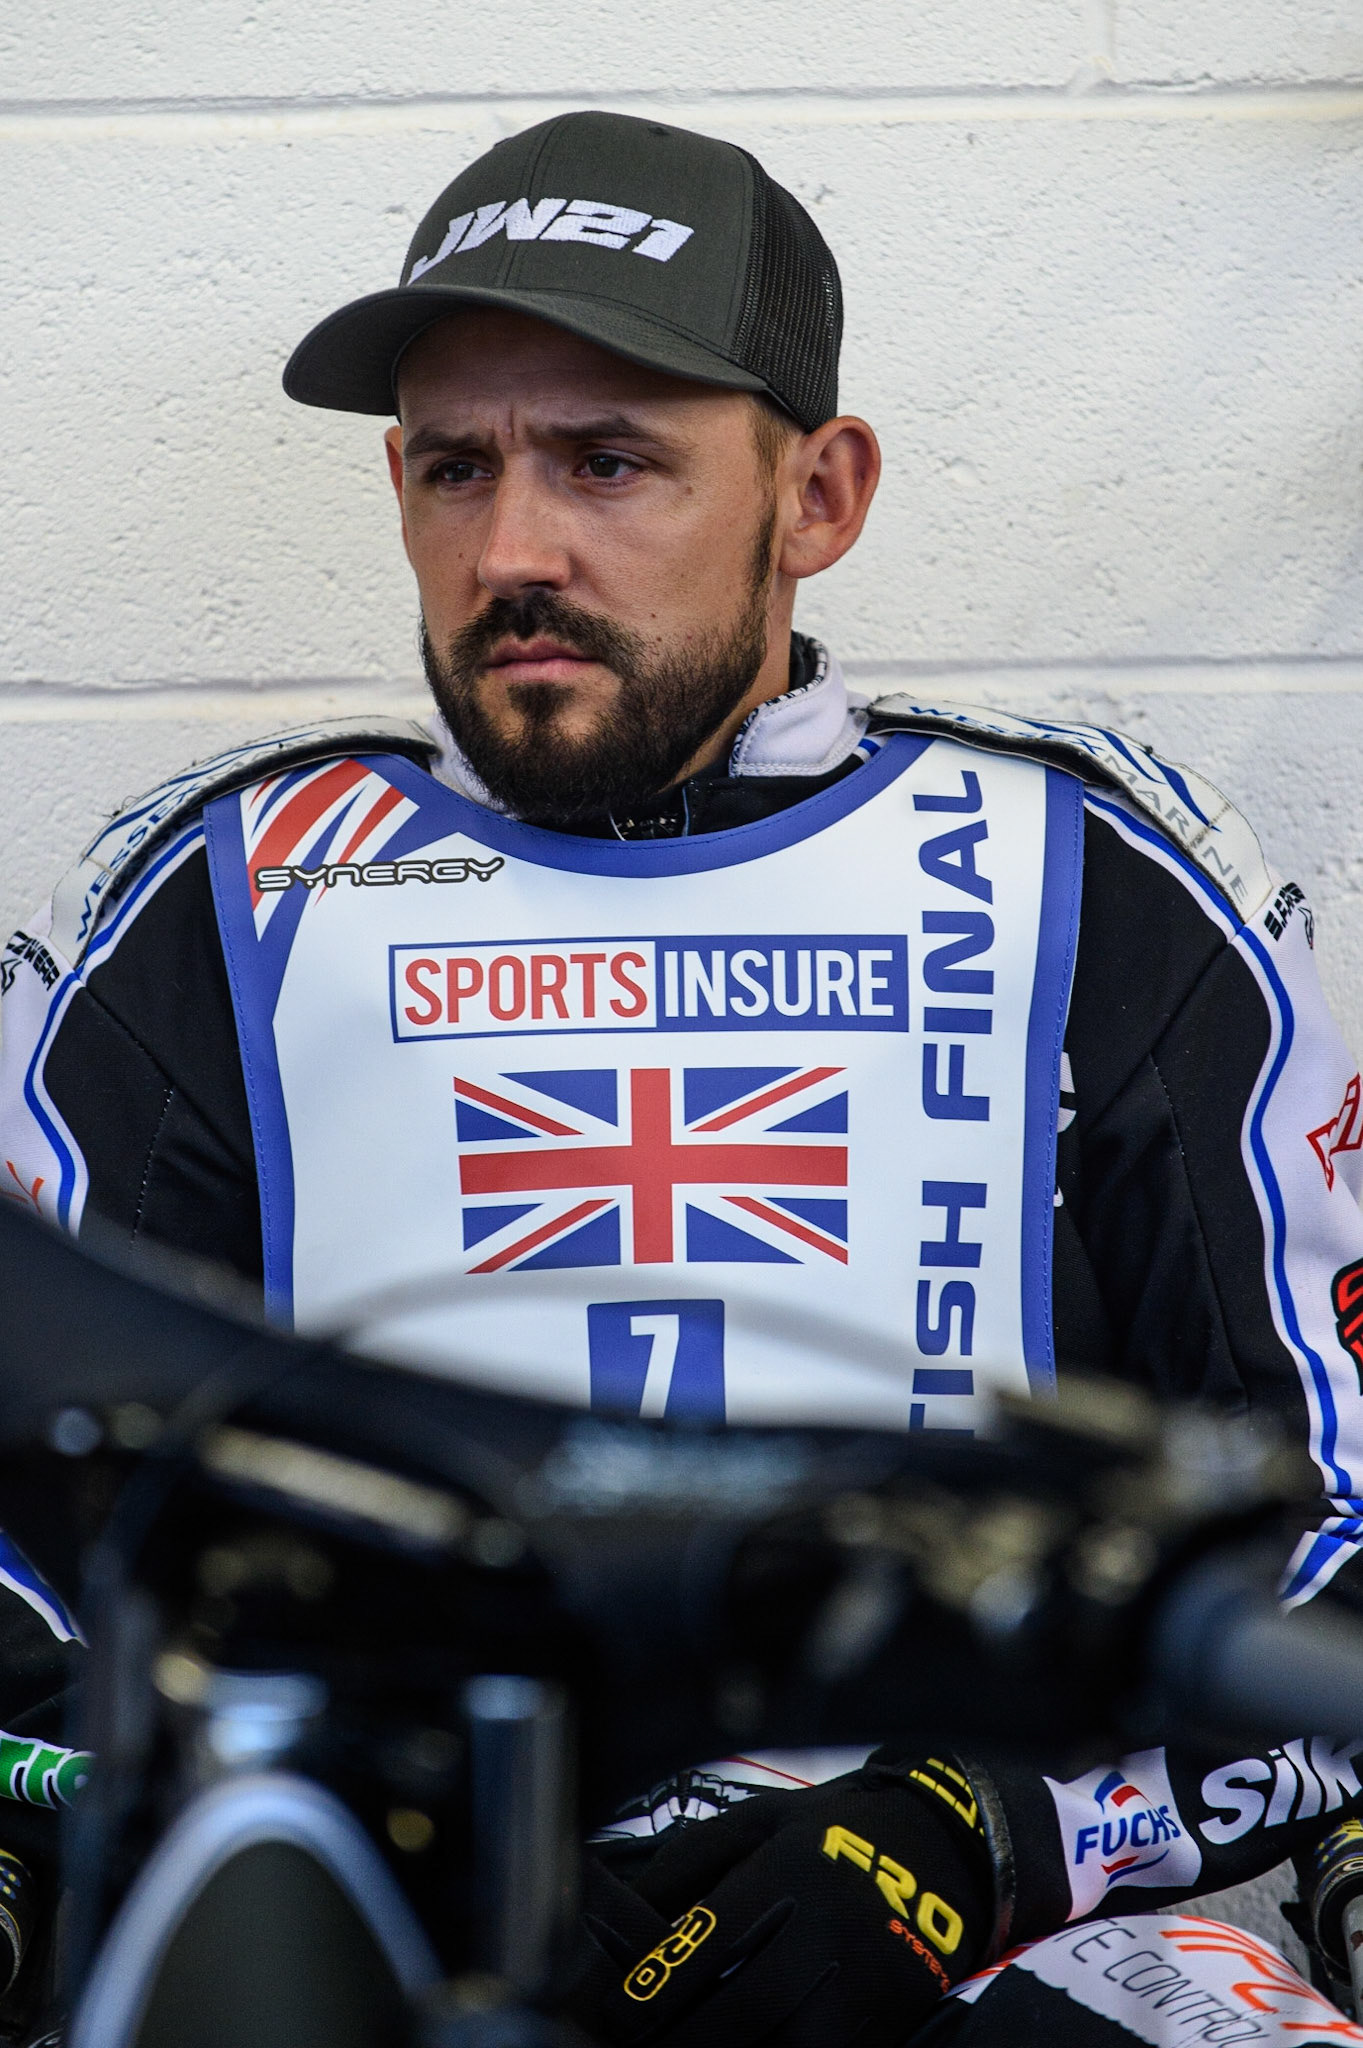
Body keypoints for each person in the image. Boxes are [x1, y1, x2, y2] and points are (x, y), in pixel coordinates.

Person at [4, 109, 1363, 2044]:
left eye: (609, 461)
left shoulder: (1105, 872)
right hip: (385, 1893)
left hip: (986, 1910)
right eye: (456, 467)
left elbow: (1338, 1536)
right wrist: (345, 1833)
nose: (512, 551)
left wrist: (973, 1832)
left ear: (818, 495)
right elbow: (31, 1564)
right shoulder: (219, 893)